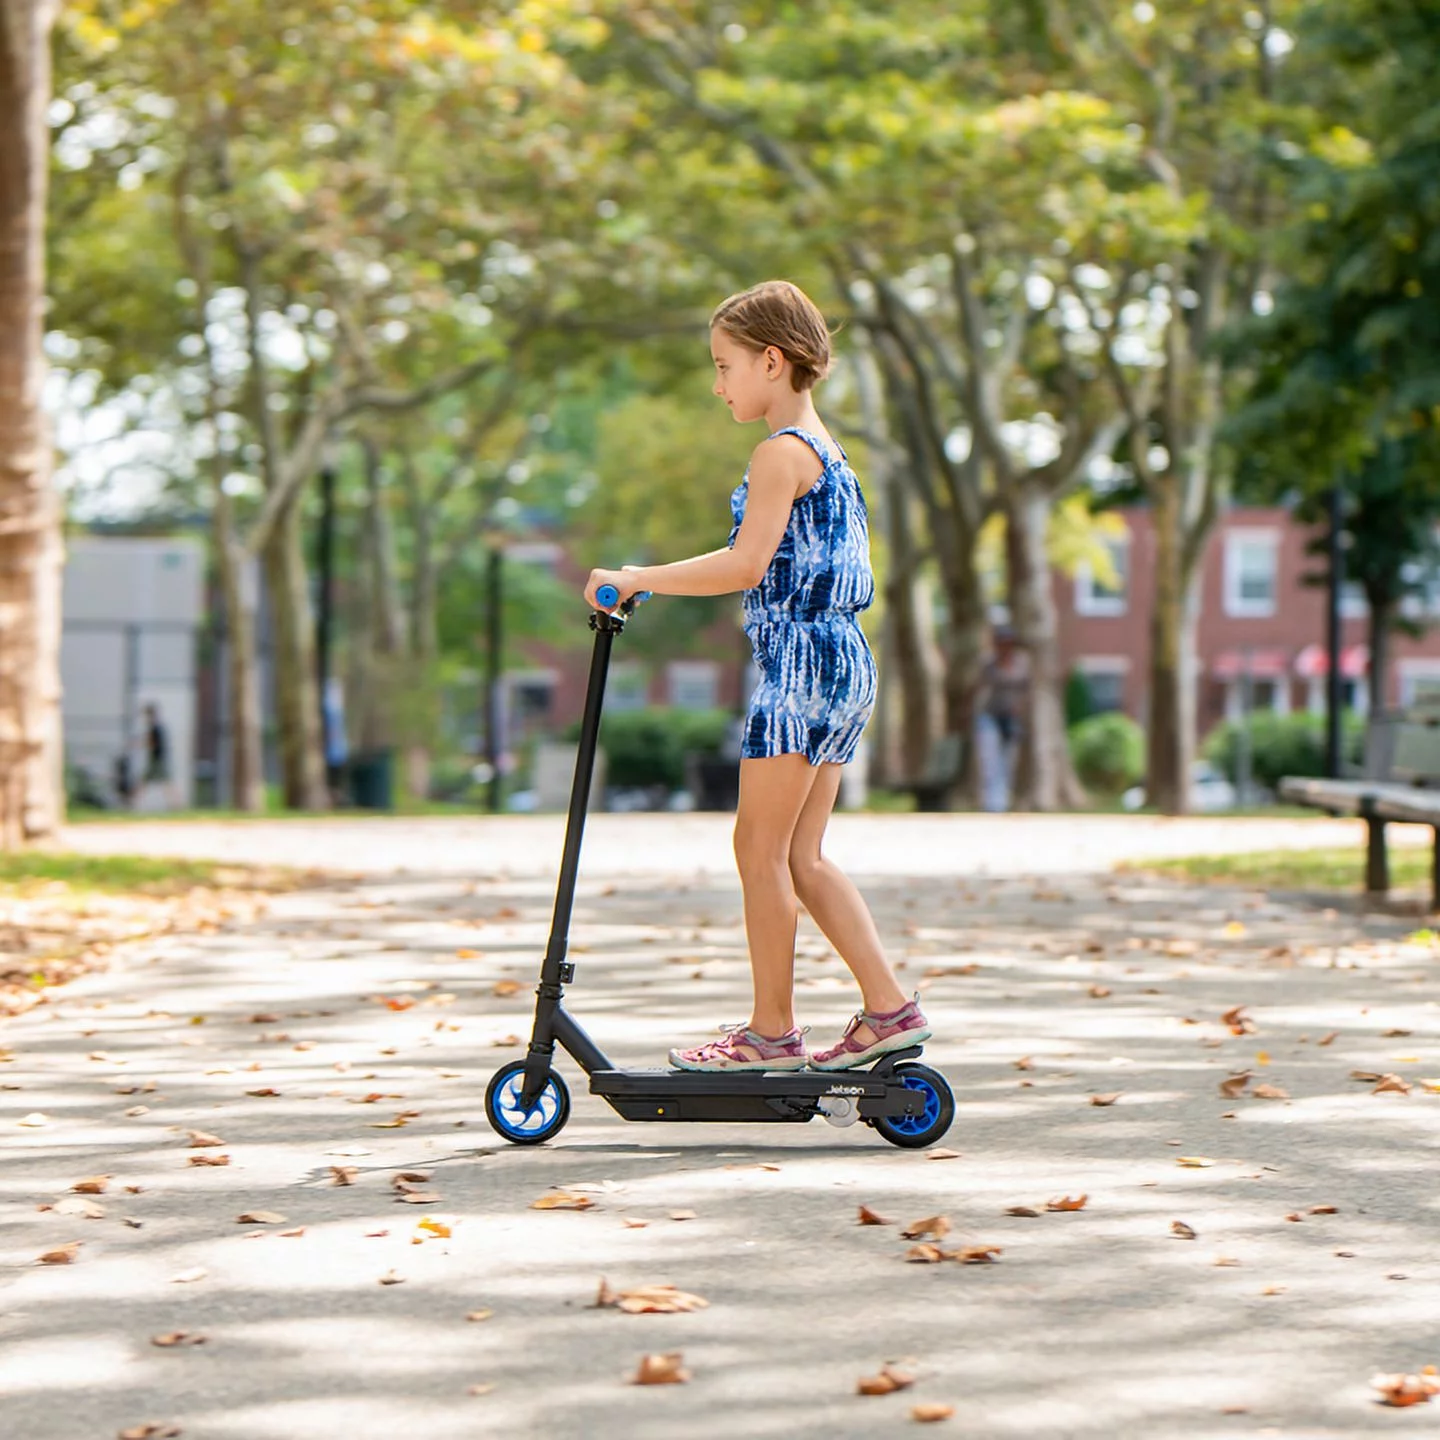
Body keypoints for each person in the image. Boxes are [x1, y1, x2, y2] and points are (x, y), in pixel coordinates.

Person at [584, 280, 930, 1073]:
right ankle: (889, 1010)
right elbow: (770, 557)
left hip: (801, 664)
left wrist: (637, 577)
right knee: (803, 856)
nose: (718, 385)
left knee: (759, 848)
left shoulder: (779, 454)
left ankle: (770, 1033)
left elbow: (746, 565)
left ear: (771, 361)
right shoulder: (828, 452)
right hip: (843, 659)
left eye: (724, 366)